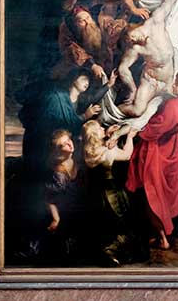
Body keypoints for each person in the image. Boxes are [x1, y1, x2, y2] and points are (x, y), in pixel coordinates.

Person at [125, 71, 178, 250]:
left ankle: (163, 239)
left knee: (153, 193)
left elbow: (157, 128)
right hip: (176, 144)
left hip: (161, 147)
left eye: (177, 84)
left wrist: (137, 131)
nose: (173, 85)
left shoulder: (173, 106)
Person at [19, 68, 104, 183]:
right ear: (74, 79)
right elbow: (65, 122)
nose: (87, 83)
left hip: (62, 140)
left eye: (88, 81)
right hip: (49, 140)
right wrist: (85, 116)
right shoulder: (58, 97)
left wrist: (109, 84)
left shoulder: (77, 99)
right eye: (84, 79)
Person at [82, 120, 148, 265]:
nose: (102, 128)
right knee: (122, 221)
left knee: (107, 223)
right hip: (112, 192)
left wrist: (108, 135)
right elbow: (126, 155)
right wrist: (130, 137)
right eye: (100, 128)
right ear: (95, 135)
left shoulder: (88, 152)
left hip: (97, 192)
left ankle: (110, 251)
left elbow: (100, 146)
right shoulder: (107, 152)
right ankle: (110, 252)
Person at [43, 129, 88, 262]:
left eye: (69, 140)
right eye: (64, 144)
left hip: (81, 208)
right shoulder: (58, 174)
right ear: (58, 151)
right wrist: (56, 219)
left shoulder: (76, 160)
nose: (70, 144)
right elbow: (49, 200)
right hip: (66, 213)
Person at [52, 6, 107, 80]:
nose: (87, 22)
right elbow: (73, 51)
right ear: (76, 24)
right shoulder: (68, 32)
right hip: (76, 68)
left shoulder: (97, 27)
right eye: (82, 21)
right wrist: (93, 65)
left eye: (88, 18)